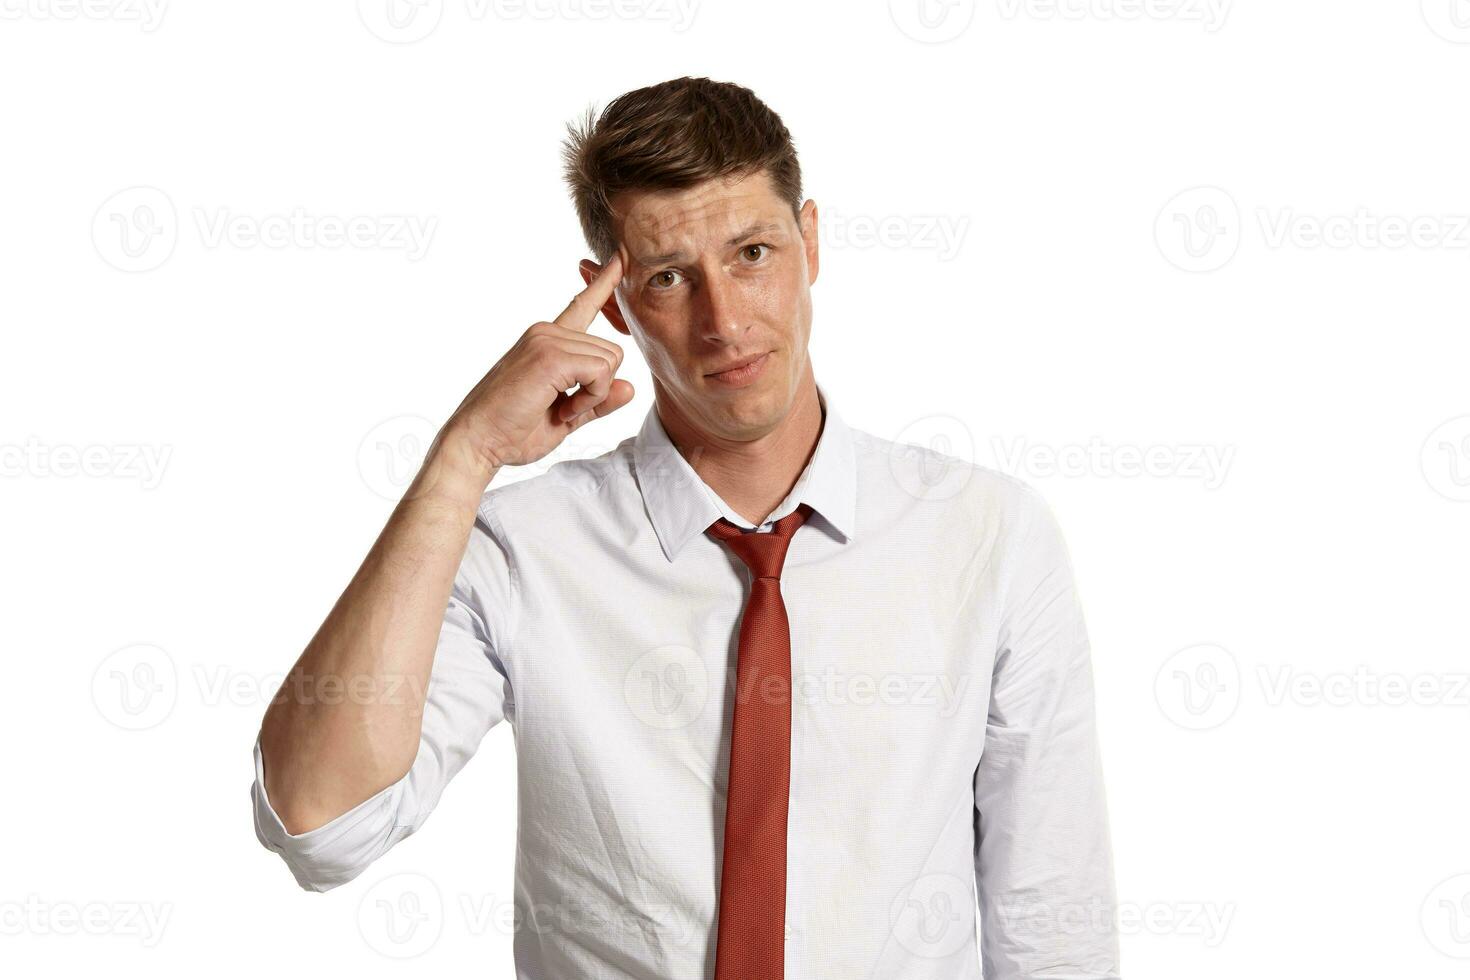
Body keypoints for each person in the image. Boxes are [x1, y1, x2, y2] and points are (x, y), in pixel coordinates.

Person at [251, 75, 1121, 980]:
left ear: (810, 240)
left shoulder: (988, 535)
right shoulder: (523, 551)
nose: (725, 321)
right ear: (612, 301)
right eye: (668, 277)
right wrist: (464, 454)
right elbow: (321, 823)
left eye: (752, 252)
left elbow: (1049, 918)